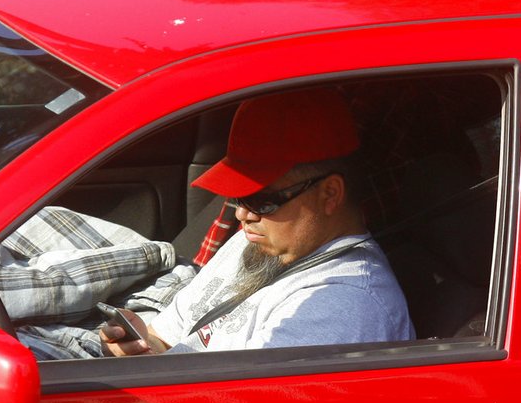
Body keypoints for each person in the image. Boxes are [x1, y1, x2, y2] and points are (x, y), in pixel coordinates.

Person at [100, 88, 415, 356]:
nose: (242, 215)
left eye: (262, 200)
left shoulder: (340, 308)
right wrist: (143, 346)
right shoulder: (263, 239)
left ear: (330, 194)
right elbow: (168, 339)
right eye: (238, 198)